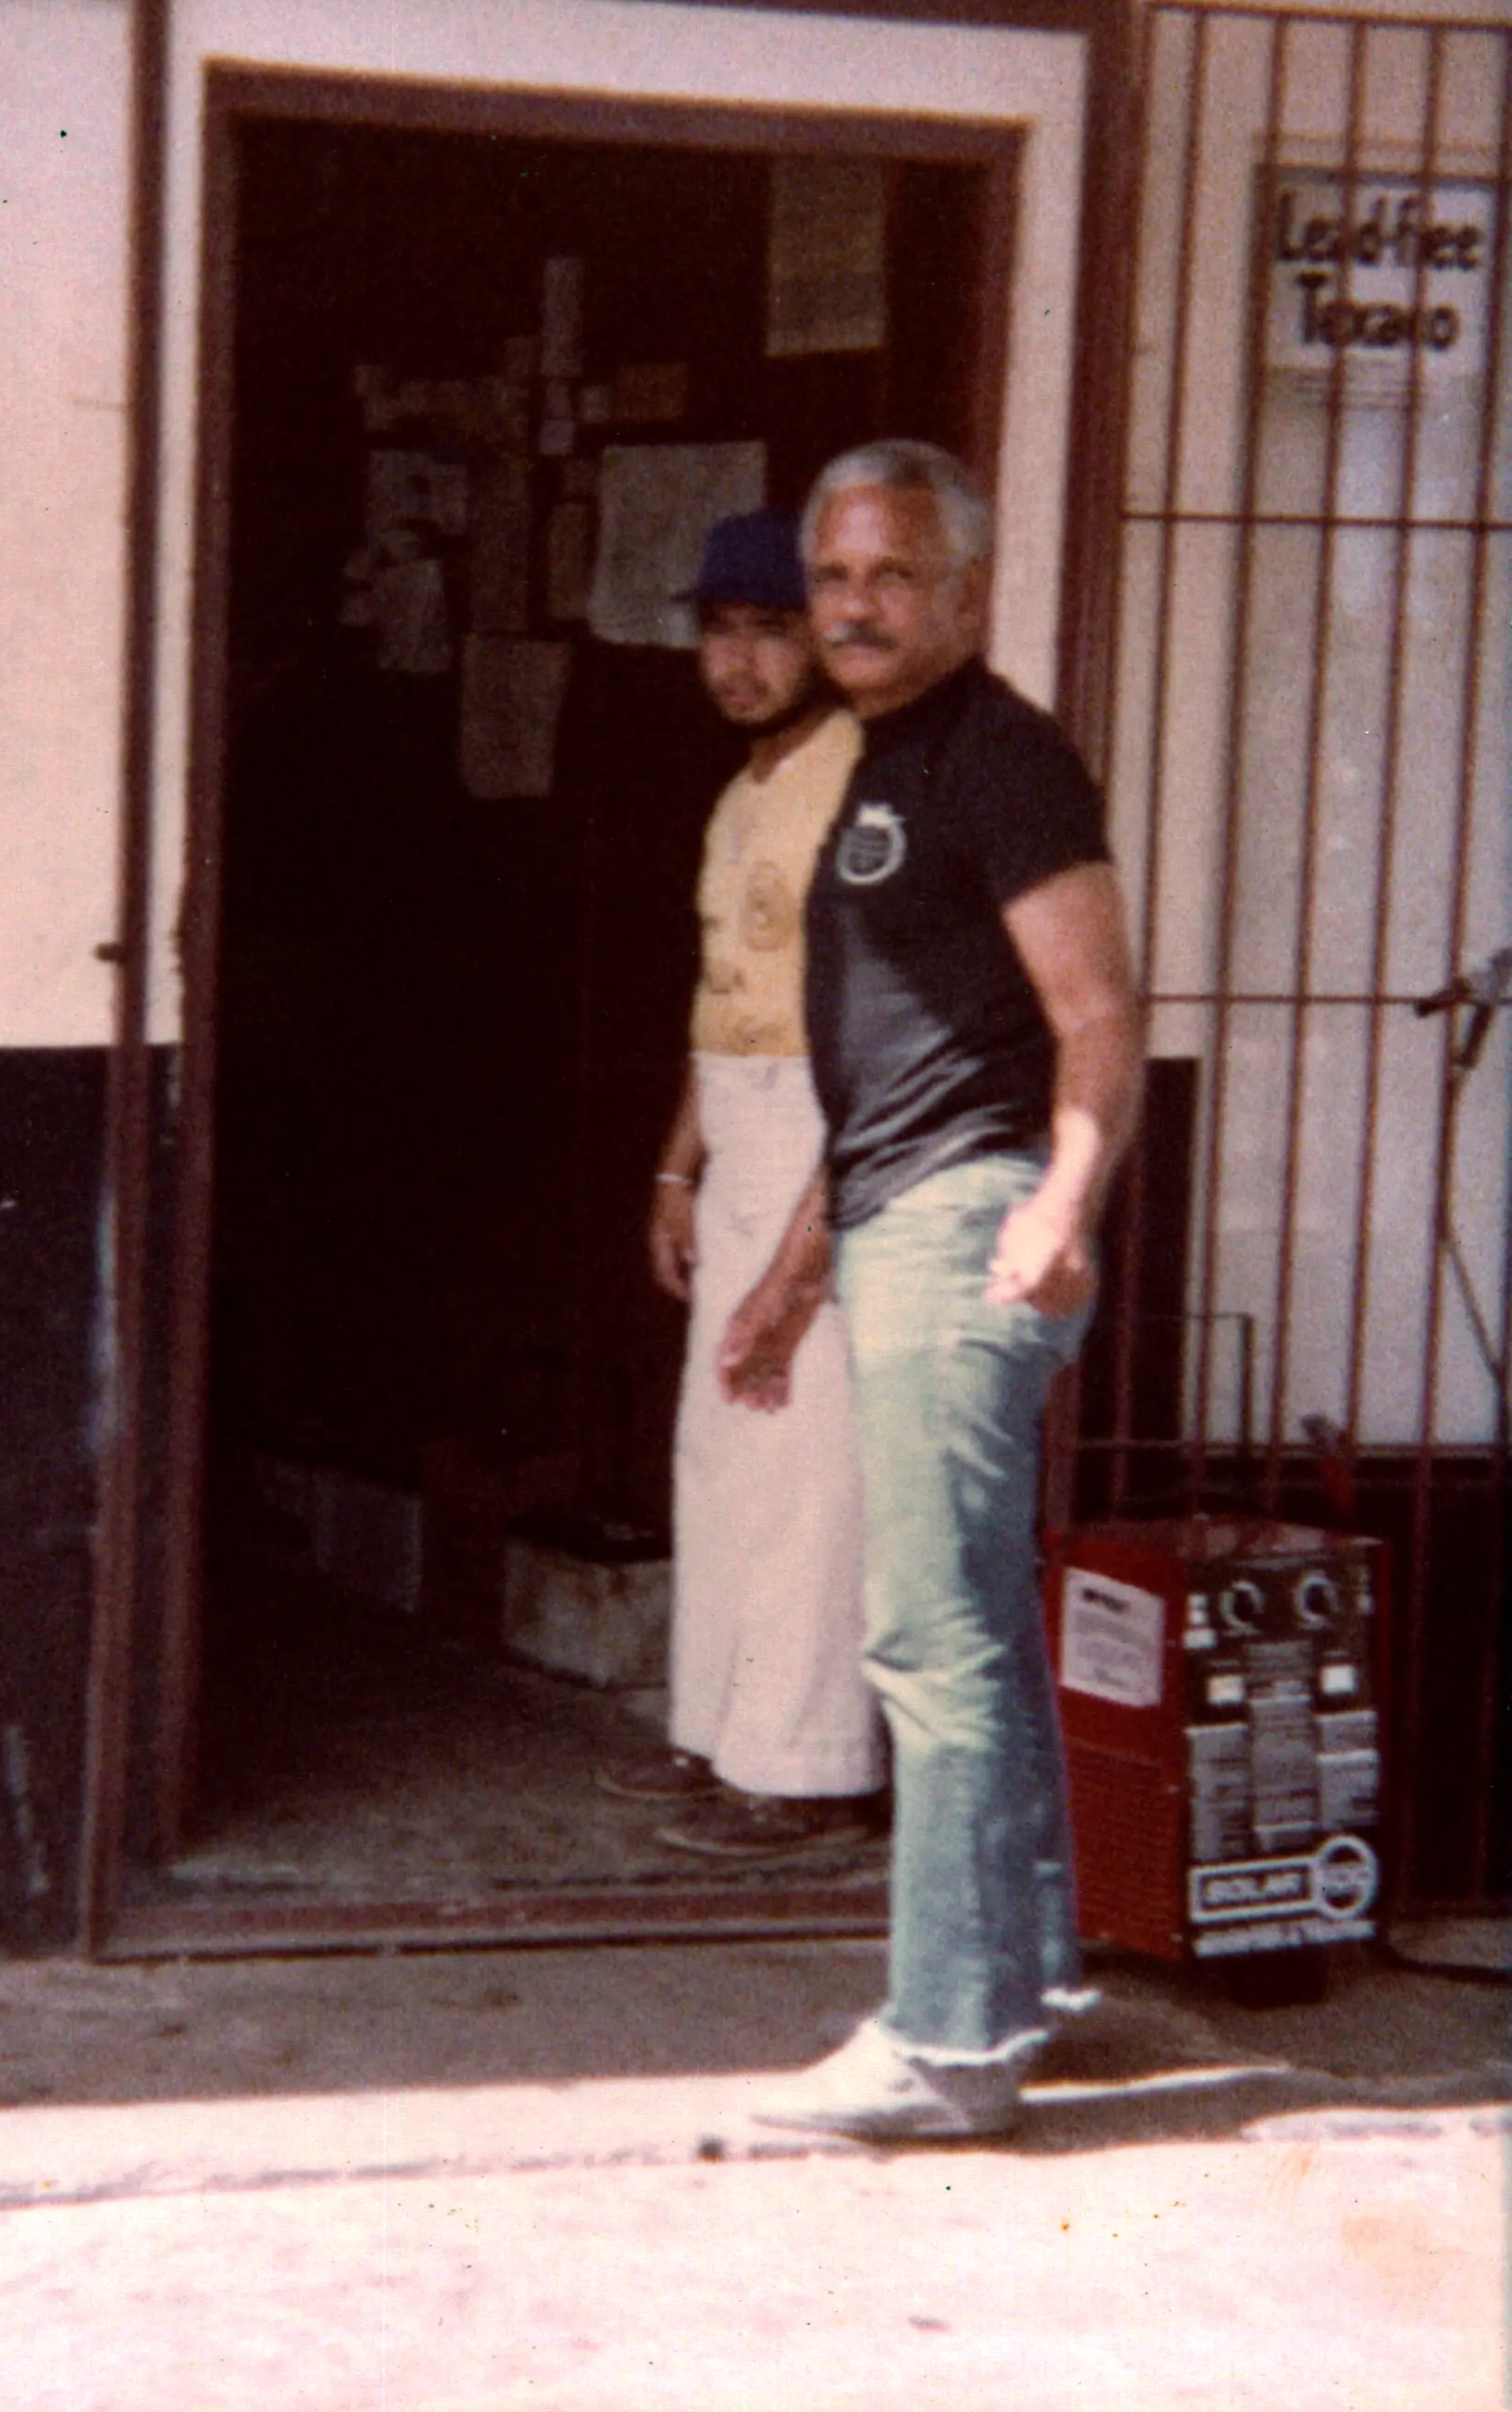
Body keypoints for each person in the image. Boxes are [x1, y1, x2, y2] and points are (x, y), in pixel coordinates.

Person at [725, 442, 1143, 2137]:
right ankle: (1024, 1977)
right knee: (969, 1623)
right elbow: (907, 1061)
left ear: (966, 593)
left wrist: (1060, 1200)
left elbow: (1097, 1014)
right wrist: (790, 1278)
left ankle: (947, 2041)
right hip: (901, 1218)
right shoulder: (882, 761)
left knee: (929, 1635)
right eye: (834, 577)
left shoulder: (1000, 759)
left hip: (972, 1232)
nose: (855, 605)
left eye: (894, 575)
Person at [597, 509, 887, 1860]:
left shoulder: (855, 782)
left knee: (804, 1455)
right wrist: (675, 1164)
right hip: (737, 1120)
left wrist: (805, 1234)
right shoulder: (744, 790)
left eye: (771, 630)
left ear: (824, 641)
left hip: (828, 1136)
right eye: (721, 630)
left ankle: (811, 1768)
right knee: (719, 1447)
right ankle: (719, 1740)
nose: (741, 659)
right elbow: (723, 1002)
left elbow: (877, 1028)